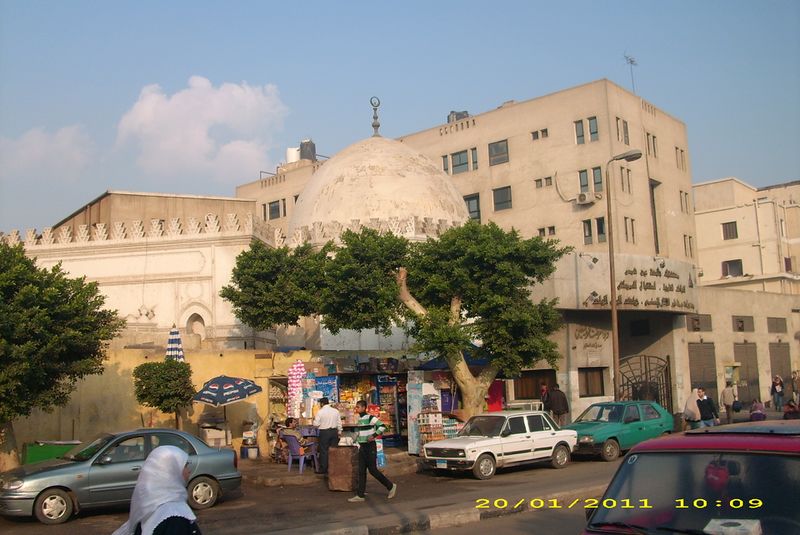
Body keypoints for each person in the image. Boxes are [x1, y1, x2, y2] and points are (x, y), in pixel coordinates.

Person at [112, 445, 201, 535]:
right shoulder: (174, 514)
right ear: (170, 471)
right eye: (185, 466)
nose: (189, 470)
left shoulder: (149, 505)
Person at [347, 400, 396, 503]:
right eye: (356, 407)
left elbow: (382, 426)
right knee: (361, 471)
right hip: (362, 447)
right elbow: (360, 433)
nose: (356, 409)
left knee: (373, 470)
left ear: (364, 408)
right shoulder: (360, 419)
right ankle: (360, 495)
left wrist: (373, 436)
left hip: (370, 446)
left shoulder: (370, 418)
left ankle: (390, 486)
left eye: (358, 407)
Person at [313, 397, 342, 475]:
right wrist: (340, 431)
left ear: (322, 404)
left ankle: (323, 469)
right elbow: (339, 423)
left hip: (324, 433)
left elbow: (316, 424)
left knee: (324, 451)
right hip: (334, 432)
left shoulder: (320, 412)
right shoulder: (336, 411)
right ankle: (334, 468)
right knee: (334, 450)